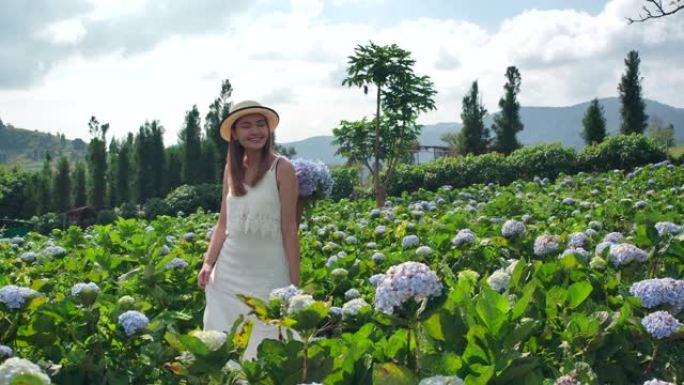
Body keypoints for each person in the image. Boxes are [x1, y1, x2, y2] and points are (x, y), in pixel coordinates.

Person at [197, 99, 301, 360]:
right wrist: (208, 263)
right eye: (246, 126)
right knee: (227, 342)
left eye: (260, 124)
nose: (255, 131)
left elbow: (290, 231)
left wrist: (294, 287)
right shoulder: (231, 169)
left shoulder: (283, 168)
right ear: (234, 134)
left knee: (269, 342)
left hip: (269, 274)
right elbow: (223, 222)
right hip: (229, 274)